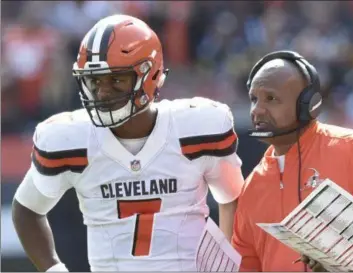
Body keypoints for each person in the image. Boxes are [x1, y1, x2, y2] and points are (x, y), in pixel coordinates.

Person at [12, 14, 245, 272]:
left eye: (116, 79)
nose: (102, 91)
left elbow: (233, 198)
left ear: (150, 75)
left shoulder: (198, 127)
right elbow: (26, 209)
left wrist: (227, 263)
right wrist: (54, 269)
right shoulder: (69, 138)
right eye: (95, 80)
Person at [231, 51, 353, 272]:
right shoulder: (252, 186)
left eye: (271, 98)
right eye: (254, 99)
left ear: (308, 105)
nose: (257, 110)